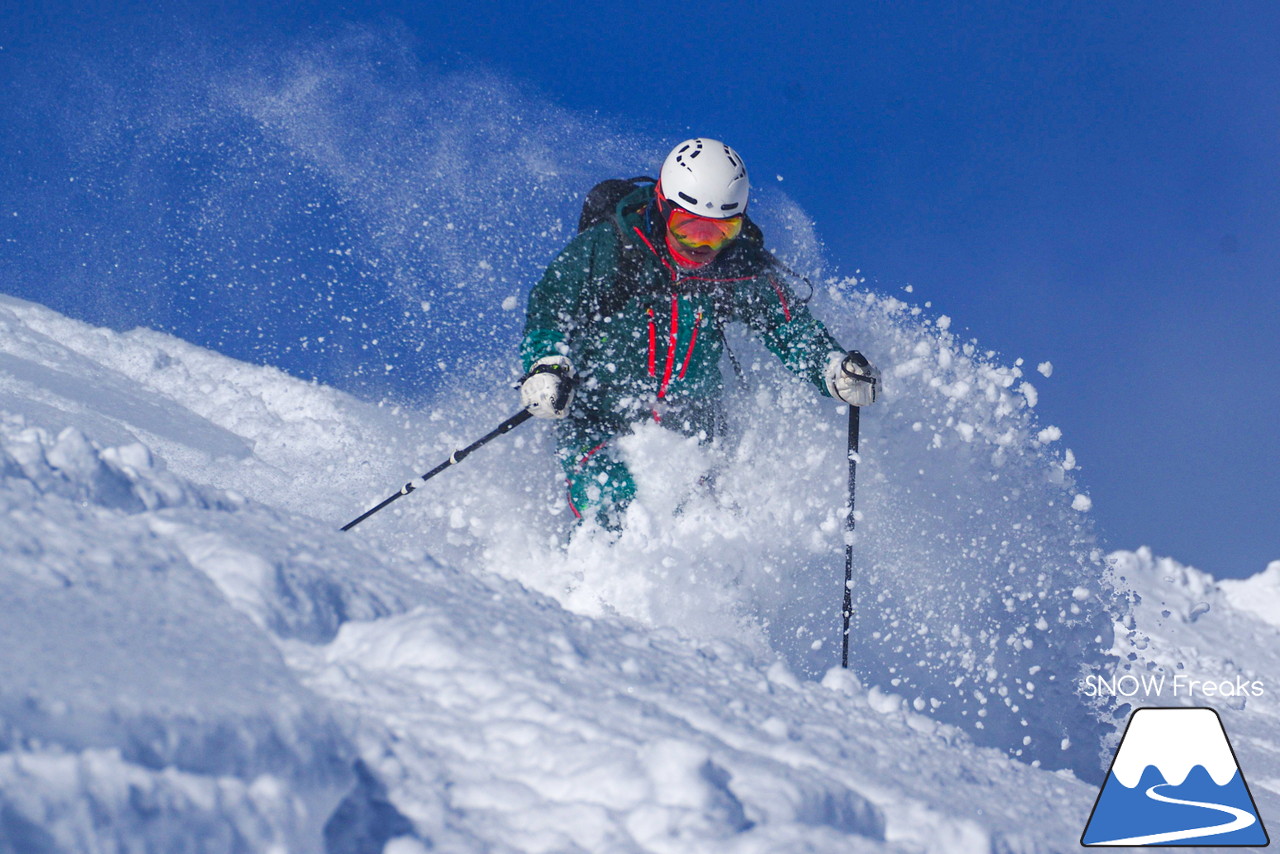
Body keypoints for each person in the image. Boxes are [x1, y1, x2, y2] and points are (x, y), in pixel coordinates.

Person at [518, 138, 878, 529]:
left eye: (720, 232)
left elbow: (786, 326)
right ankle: (586, 588)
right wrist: (546, 365)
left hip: (692, 423)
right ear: (662, 205)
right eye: (688, 229)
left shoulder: (739, 268)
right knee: (613, 496)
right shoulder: (611, 247)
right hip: (599, 414)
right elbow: (551, 304)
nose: (703, 248)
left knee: (706, 520)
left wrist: (832, 368)